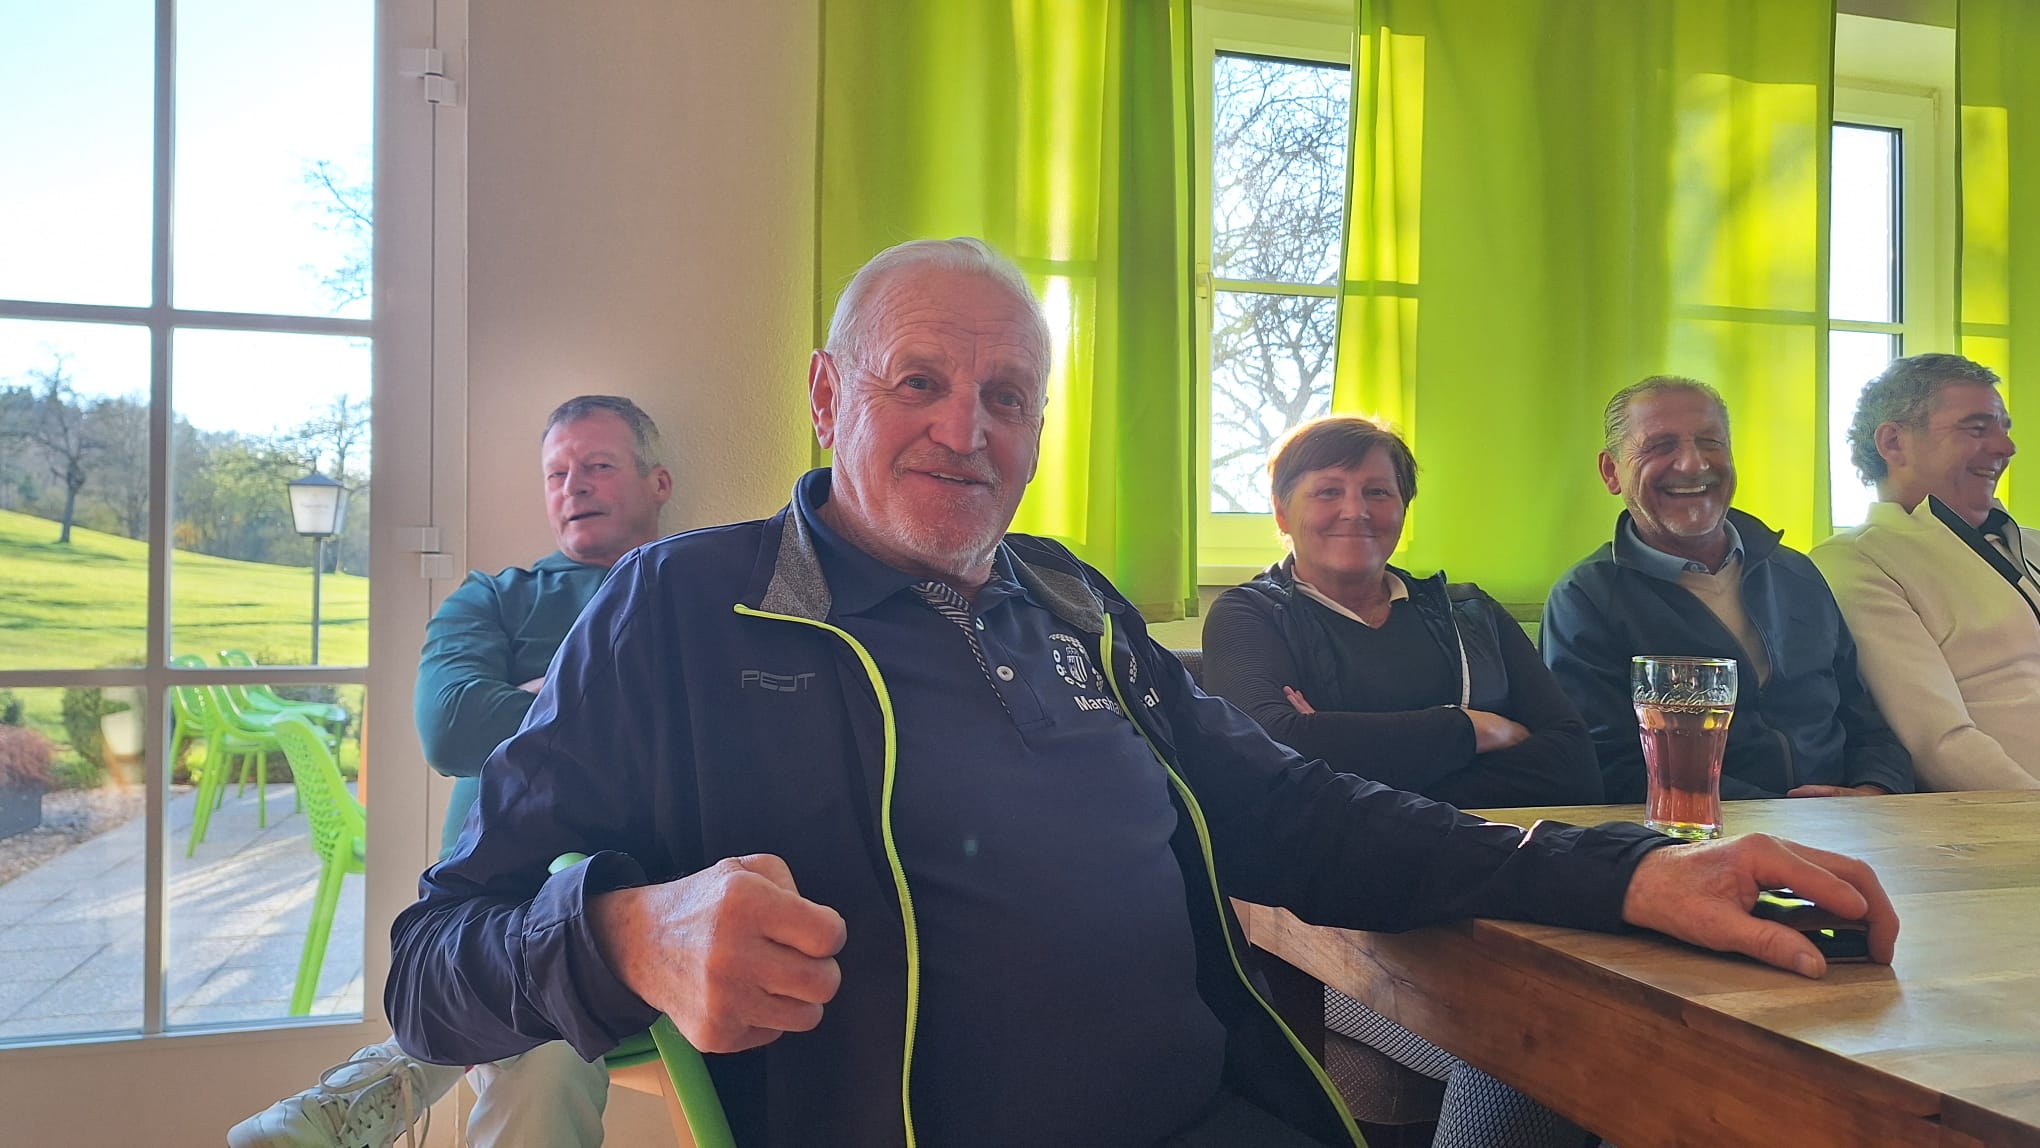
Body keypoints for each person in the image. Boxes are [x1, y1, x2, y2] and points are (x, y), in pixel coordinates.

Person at [386, 240, 1898, 1148]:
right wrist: (623, 934)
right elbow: (431, 967)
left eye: (1008, 396)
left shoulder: (1067, 598)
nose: (966, 431)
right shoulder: (681, 609)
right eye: (919, 383)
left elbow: (1299, 812)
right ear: (829, 393)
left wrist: (1631, 873)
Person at [231, 396, 673, 1148]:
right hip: (498, 883)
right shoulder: (493, 597)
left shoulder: (692, 589)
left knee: (543, 1028)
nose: (573, 486)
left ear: (657, 482)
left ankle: (372, 1087)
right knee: (547, 1042)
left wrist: (536, 700)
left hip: (643, 887)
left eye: (598, 465)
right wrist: (624, 709)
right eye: (556, 473)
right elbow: (450, 728)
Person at [1203, 414, 1601, 1146]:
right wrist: (1470, 729)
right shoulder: (1251, 617)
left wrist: (1348, 754)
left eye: (1377, 492)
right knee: (1534, 1049)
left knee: (1639, 1027)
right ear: (1282, 513)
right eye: (1328, 491)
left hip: (1504, 890)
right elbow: (1274, 758)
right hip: (1341, 927)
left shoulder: (1470, 615)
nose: (1355, 510)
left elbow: (1573, 763)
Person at [1541, 376, 1913, 804]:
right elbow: (1609, 766)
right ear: (1612, 472)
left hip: (1849, 821)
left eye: (1710, 442)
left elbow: (1868, 723)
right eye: (1660, 445)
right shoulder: (1585, 599)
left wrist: (1873, 791)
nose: (1692, 463)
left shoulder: (1797, 574)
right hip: (1698, 832)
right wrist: (1779, 815)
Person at [1809, 353, 2040, 790]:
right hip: (2009, 815)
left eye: (2004, 429)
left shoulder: (2032, 543)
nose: (2005, 448)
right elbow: (1940, 744)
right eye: (1977, 429)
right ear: (1893, 442)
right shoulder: (1857, 560)